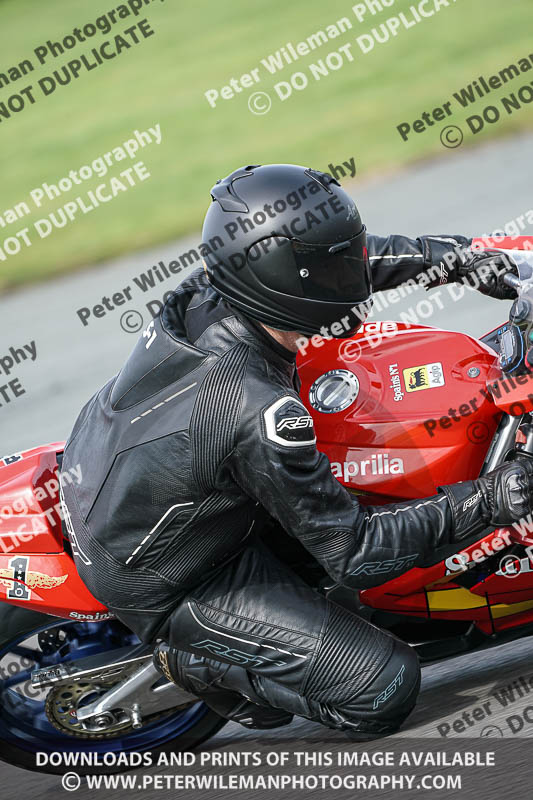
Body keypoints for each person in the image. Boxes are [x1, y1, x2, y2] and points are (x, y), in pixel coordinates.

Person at [60, 163, 533, 740]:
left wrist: (455, 256)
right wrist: (495, 496)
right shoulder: (257, 410)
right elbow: (355, 553)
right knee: (382, 687)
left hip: (121, 464)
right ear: (289, 282)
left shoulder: (218, 288)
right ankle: (196, 661)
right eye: (331, 269)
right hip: (172, 572)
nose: (350, 276)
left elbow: (341, 263)